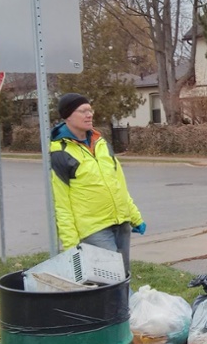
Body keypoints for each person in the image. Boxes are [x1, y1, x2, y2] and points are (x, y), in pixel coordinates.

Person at [50, 93, 146, 277]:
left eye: (90, 110)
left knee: (123, 276)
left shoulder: (101, 143)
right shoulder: (60, 153)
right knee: (111, 279)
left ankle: (123, 306)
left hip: (121, 222)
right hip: (95, 229)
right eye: (83, 111)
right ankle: (121, 305)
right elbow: (61, 205)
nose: (89, 114)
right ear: (68, 115)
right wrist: (71, 246)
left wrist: (135, 217)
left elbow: (119, 184)